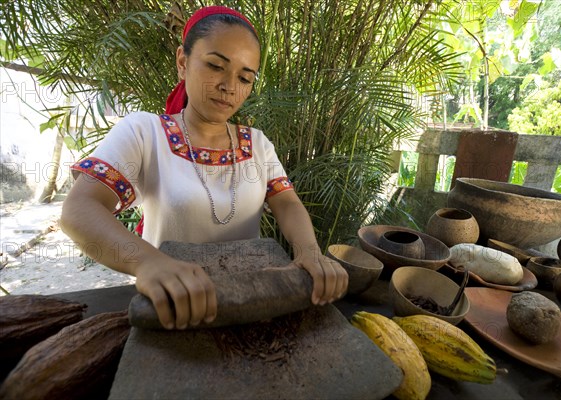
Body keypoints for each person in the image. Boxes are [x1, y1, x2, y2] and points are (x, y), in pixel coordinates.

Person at [60, 6, 348, 330]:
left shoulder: (257, 144)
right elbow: (79, 209)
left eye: (245, 77)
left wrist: (309, 252)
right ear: (183, 62)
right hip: (173, 308)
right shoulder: (145, 132)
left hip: (247, 307)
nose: (229, 86)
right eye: (215, 66)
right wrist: (148, 262)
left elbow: (288, 203)